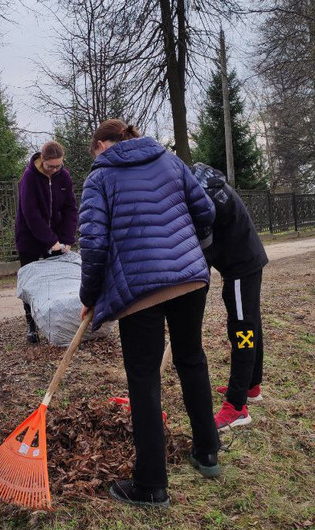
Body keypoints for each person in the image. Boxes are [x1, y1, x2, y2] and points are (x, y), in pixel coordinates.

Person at [78, 119, 220, 507]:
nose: (96, 158)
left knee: (143, 379)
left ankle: (152, 485)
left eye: (94, 152)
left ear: (103, 145)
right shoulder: (170, 160)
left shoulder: (101, 178)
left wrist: (89, 297)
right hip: (190, 278)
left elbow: (92, 246)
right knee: (192, 360)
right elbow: (205, 210)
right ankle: (207, 453)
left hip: (139, 290)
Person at [190, 163, 269, 430]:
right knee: (251, 323)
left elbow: (205, 253)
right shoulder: (203, 183)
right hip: (248, 259)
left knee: (242, 330)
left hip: (240, 267)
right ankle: (251, 386)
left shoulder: (202, 199)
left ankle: (237, 406)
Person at [14, 140, 77, 344]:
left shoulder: (63, 177)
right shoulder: (29, 178)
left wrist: (66, 239)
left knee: (55, 283)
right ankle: (31, 324)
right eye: (51, 166)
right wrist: (50, 240)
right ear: (42, 160)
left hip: (57, 239)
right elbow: (30, 214)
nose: (55, 169)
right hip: (30, 239)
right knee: (31, 284)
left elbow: (70, 208)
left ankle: (55, 323)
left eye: (59, 165)